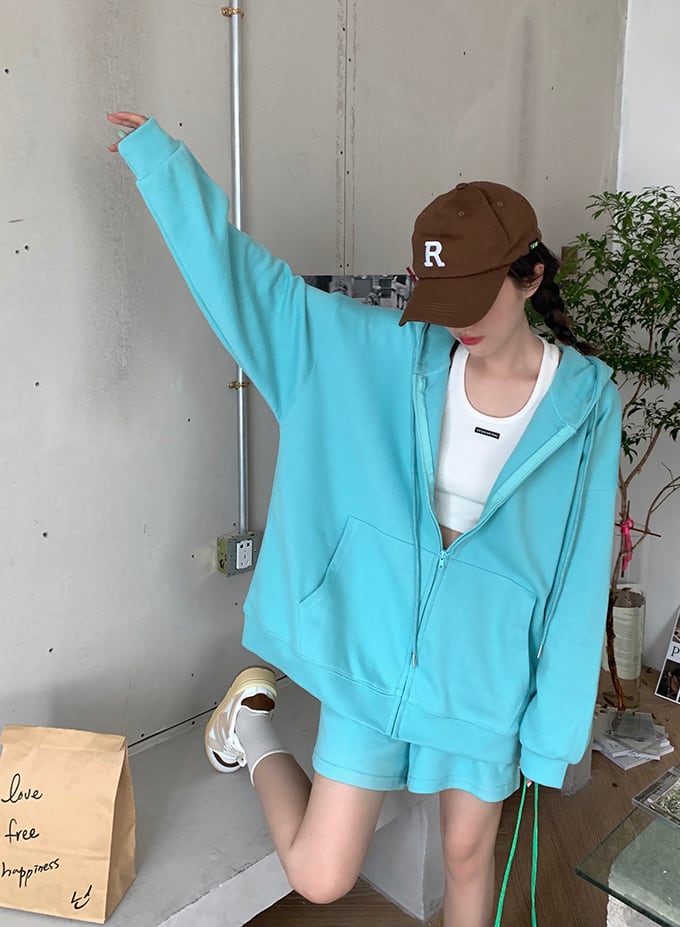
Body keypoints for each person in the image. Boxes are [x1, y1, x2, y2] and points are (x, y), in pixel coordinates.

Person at [107, 111, 621, 927]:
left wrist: (554, 729)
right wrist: (164, 168)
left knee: (467, 856)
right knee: (321, 874)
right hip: (372, 648)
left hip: (484, 673)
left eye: (474, 297)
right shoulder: (380, 354)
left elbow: (581, 572)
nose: (457, 323)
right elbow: (253, 290)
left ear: (529, 276)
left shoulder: (586, 403)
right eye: (441, 299)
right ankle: (252, 729)